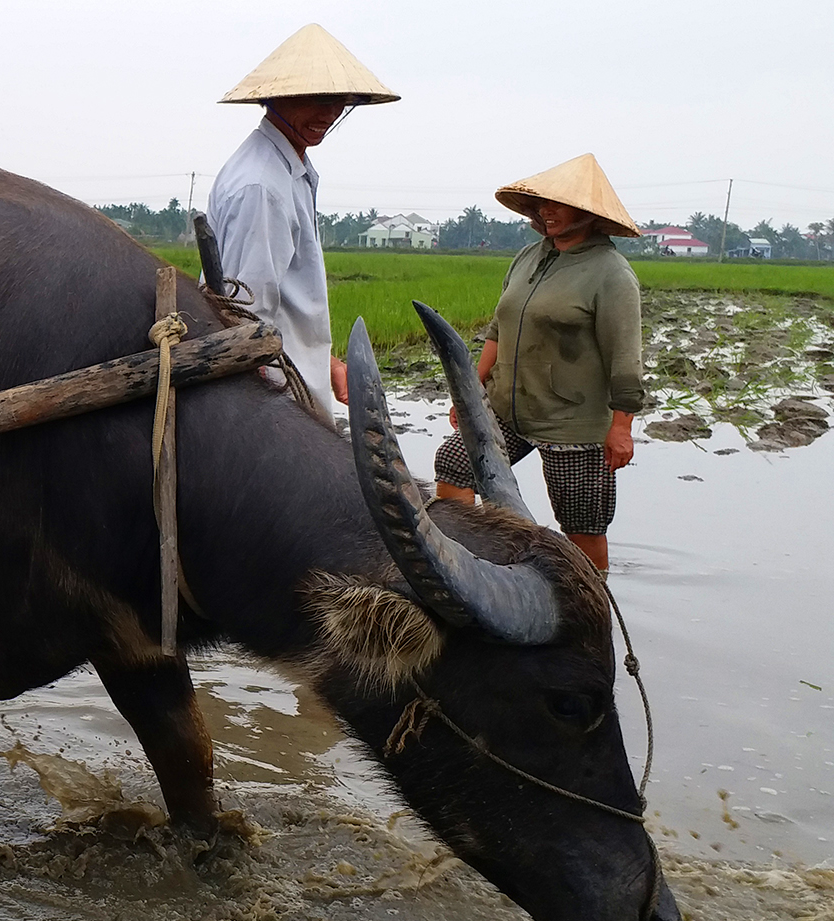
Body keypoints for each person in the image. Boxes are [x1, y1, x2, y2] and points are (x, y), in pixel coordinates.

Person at [434, 153, 644, 572]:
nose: (547, 211)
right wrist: (470, 394)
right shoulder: (529, 258)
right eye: (543, 203)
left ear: (587, 213)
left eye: (559, 203)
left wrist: (621, 428)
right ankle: (479, 568)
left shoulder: (610, 273)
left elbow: (625, 357)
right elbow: (498, 329)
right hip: (509, 410)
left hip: (572, 422)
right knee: (454, 464)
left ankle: (595, 602)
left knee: (581, 524)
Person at [208, 23, 398, 418]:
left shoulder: (288, 168)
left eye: (338, 102)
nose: (328, 114)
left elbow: (288, 300)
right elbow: (247, 312)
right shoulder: (262, 185)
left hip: (291, 379)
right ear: (278, 98)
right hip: (273, 398)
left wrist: (326, 362)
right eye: (315, 99)